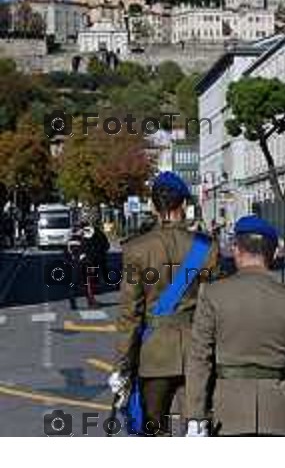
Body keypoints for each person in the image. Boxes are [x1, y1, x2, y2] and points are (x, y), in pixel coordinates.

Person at [109, 171, 219, 436]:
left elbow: (129, 314)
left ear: (153, 206)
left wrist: (123, 365)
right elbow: (216, 307)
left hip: (154, 353)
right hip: (197, 352)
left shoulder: (136, 249)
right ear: (183, 205)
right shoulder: (206, 247)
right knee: (198, 431)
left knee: (153, 433)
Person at [185, 215, 285, 436]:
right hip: (278, 412)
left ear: (235, 249)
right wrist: (282, 393)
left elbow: (199, 359)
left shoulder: (213, 294)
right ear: (275, 253)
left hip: (227, 412)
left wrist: (196, 416)